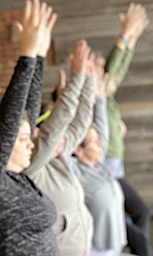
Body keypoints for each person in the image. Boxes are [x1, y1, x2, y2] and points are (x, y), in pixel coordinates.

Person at [0, 0, 60, 254]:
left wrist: (39, 54)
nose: (31, 143)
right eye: (21, 140)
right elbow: (11, 121)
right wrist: (27, 55)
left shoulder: (17, 179)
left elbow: (26, 113)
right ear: (1, 143)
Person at [24, 40, 96, 256]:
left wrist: (89, 80)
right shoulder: (34, 165)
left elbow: (81, 122)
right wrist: (77, 78)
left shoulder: (60, 154)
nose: (62, 137)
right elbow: (57, 125)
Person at [102, 3, 151, 255]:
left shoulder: (107, 101)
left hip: (114, 168)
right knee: (141, 211)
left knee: (140, 212)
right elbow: (112, 72)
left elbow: (116, 72)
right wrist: (124, 36)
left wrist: (131, 39)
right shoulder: (96, 99)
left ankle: (126, 243)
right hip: (107, 171)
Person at [67, 75, 127, 255]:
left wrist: (100, 98)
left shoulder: (98, 164)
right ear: (78, 149)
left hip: (114, 246)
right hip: (95, 250)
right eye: (94, 142)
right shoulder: (74, 170)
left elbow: (103, 132)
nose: (100, 144)